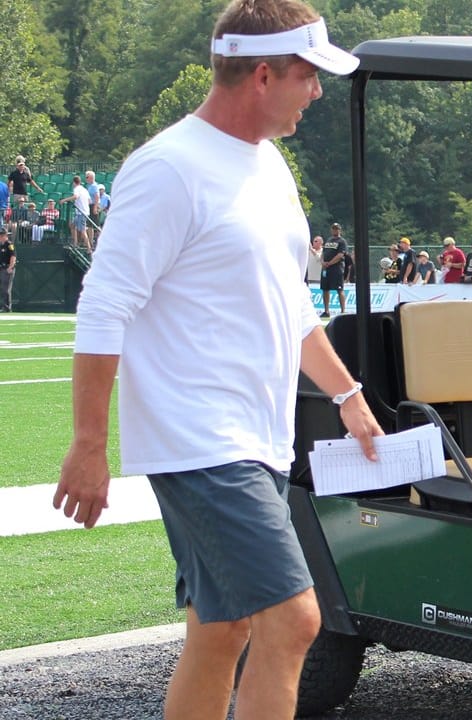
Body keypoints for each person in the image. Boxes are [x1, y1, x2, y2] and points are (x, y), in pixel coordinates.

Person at [53, 3, 376, 719]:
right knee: (294, 619)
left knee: (221, 626)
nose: (316, 92)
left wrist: (347, 394)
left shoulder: (269, 165)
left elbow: (289, 305)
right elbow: (105, 306)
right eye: (308, 76)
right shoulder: (169, 168)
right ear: (263, 74)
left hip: (255, 438)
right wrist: (87, 443)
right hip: (200, 441)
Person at [320, 223, 348, 316]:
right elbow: (323, 253)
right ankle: (326, 311)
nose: (335, 230)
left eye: (337, 229)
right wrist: (323, 262)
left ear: (340, 230)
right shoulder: (328, 240)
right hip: (326, 268)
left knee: (339, 289)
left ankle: (343, 310)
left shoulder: (342, 241)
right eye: (333, 229)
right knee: (325, 289)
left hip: (336, 268)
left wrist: (330, 263)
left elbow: (340, 255)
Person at [60, 176, 93, 251]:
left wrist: (64, 200)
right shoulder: (84, 189)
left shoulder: (76, 189)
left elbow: (76, 196)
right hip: (81, 212)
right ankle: (75, 243)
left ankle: (89, 248)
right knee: (72, 225)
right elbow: (89, 201)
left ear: (74, 183)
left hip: (82, 213)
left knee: (82, 230)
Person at [85, 171, 104, 244]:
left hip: (94, 205)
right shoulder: (89, 186)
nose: (86, 178)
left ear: (91, 177)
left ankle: (103, 240)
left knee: (96, 224)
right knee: (90, 225)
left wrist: (95, 207)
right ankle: (90, 241)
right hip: (90, 206)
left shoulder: (94, 186)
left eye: (87, 177)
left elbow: (97, 196)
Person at [0, 227, 14, 312]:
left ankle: (7, 307)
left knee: (6, 289)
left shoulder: (9, 244)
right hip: (1, 268)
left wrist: (10, 267)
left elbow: (13, 256)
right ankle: (2, 306)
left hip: (7, 268)